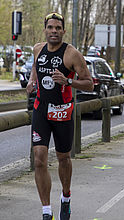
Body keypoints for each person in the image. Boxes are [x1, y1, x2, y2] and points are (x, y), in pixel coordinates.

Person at [26, 12, 93, 220]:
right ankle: (47, 211)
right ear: (45, 30)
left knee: (63, 158)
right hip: (41, 110)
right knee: (39, 160)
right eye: (50, 27)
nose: (54, 31)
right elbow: (37, 67)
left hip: (63, 112)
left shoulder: (72, 54)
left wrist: (68, 82)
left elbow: (89, 84)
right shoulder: (38, 49)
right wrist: (31, 81)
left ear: (63, 31)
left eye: (58, 28)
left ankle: (66, 198)